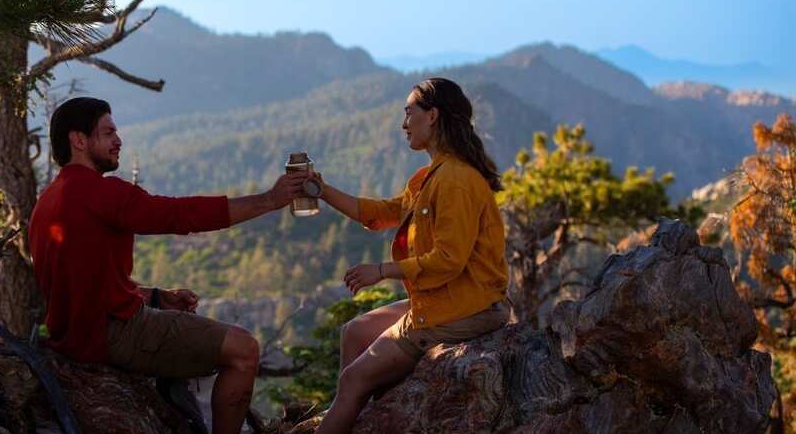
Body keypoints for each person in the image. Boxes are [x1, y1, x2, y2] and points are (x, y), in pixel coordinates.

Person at [27, 97, 307, 434]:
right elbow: (177, 215)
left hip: (74, 335)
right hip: (111, 334)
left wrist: (155, 295)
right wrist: (269, 200)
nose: (119, 140)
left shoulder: (49, 199)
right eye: (108, 132)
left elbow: (82, 280)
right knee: (244, 350)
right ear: (79, 140)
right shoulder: (99, 192)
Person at [312, 78, 510, 434]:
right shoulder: (428, 177)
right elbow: (382, 212)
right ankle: (357, 416)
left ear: (432, 116)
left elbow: (449, 259)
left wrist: (382, 270)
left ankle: (349, 410)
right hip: (448, 301)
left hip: (464, 310)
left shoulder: (456, 179)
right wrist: (323, 191)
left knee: (354, 380)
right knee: (354, 333)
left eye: (409, 112)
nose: (404, 124)